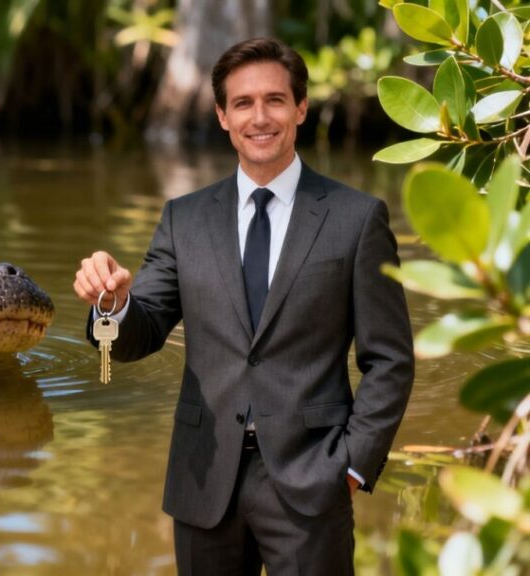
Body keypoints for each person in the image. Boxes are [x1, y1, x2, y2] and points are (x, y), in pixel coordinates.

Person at [73, 37, 414, 575]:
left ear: (301, 108)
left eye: (275, 100)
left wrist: (352, 465)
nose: (261, 117)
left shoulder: (357, 218)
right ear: (222, 116)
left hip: (313, 481)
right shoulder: (184, 218)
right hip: (204, 477)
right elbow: (142, 333)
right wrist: (114, 305)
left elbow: (390, 359)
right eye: (243, 103)